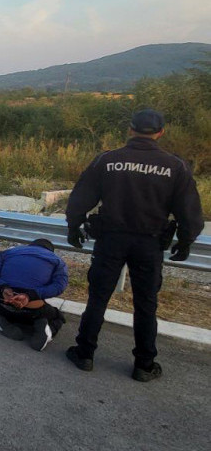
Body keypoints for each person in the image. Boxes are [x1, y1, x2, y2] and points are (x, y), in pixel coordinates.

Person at [65, 109, 204, 382]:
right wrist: (186, 241)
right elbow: (190, 212)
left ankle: (84, 354)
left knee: (98, 298)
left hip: (110, 240)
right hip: (150, 244)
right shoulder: (175, 166)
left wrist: (74, 227)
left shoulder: (107, 160)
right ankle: (144, 364)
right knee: (145, 305)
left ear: (130, 130)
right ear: (161, 132)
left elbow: (80, 198)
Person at [0, 239, 69, 351]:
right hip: (33, 311)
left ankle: (3, 320)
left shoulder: (6, 253)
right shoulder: (58, 261)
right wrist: (30, 296)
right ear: (50, 251)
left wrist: (3, 288)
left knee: (2, 310)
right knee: (58, 316)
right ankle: (48, 331)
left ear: (30, 246)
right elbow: (59, 287)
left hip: (3, 304)